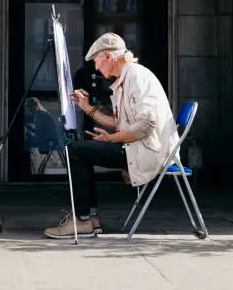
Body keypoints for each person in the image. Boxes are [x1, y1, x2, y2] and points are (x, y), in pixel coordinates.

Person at [43, 33, 180, 239]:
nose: (96, 68)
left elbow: (146, 125)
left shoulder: (137, 77)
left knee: (76, 151)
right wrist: (87, 108)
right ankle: (89, 218)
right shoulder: (126, 78)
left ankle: (83, 220)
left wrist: (112, 139)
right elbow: (120, 123)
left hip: (149, 151)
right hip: (141, 147)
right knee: (81, 150)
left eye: (97, 62)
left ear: (107, 56)